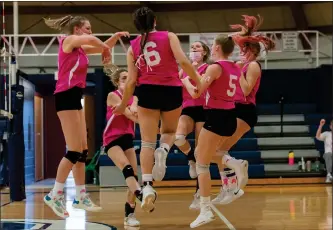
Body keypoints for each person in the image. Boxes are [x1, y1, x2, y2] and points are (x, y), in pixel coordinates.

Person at [113, 6, 201, 213]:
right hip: (171, 90)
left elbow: (132, 81)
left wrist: (124, 104)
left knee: (146, 142)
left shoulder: (132, 46)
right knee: (169, 133)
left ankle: (147, 185)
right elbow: (183, 61)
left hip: (147, 92)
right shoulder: (169, 36)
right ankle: (164, 151)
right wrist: (198, 81)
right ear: (155, 22)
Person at [42, 15, 129, 218]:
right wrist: (104, 47)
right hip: (65, 96)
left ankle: (80, 197)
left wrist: (113, 39)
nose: (91, 32)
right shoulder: (69, 40)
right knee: (73, 151)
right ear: (78, 29)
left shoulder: (80, 47)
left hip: (75, 96)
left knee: (83, 151)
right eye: (88, 28)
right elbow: (93, 42)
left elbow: (99, 45)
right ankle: (54, 195)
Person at [212, 15, 275, 205]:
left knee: (218, 151)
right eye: (241, 48)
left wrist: (238, 70)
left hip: (245, 111)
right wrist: (244, 33)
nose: (240, 51)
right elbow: (229, 39)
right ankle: (229, 188)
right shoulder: (243, 63)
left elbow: (247, 89)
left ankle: (238, 168)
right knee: (218, 152)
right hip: (236, 109)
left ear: (252, 51)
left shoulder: (253, 65)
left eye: (244, 49)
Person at [188, 34, 242, 228]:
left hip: (216, 116)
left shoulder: (214, 67)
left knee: (201, 164)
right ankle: (231, 162)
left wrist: (186, 80)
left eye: (212, 45)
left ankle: (205, 210)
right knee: (209, 154)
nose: (211, 47)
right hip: (231, 115)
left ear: (218, 48)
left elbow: (196, 92)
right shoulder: (236, 67)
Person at [103, 68, 142, 227]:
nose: (127, 80)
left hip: (127, 139)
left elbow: (137, 116)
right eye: (124, 78)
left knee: (133, 175)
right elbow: (129, 113)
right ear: (117, 82)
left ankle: (130, 214)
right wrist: (133, 108)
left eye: (129, 78)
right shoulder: (112, 96)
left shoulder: (135, 98)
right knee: (126, 169)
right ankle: (141, 194)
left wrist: (135, 106)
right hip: (112, 139)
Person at [175, 41, 210, 210]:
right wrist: (188, 68)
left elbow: (200, 86)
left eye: (198, 48)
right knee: (178, 137)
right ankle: (190, 160)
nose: (194, 49)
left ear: (204, 52)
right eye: (193, 47)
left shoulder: (208, 68)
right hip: (187, 108)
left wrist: (194, 70)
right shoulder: (185, 67)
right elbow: (178, 81)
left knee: (200, 151)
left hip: (203, 109)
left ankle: (198, 194)